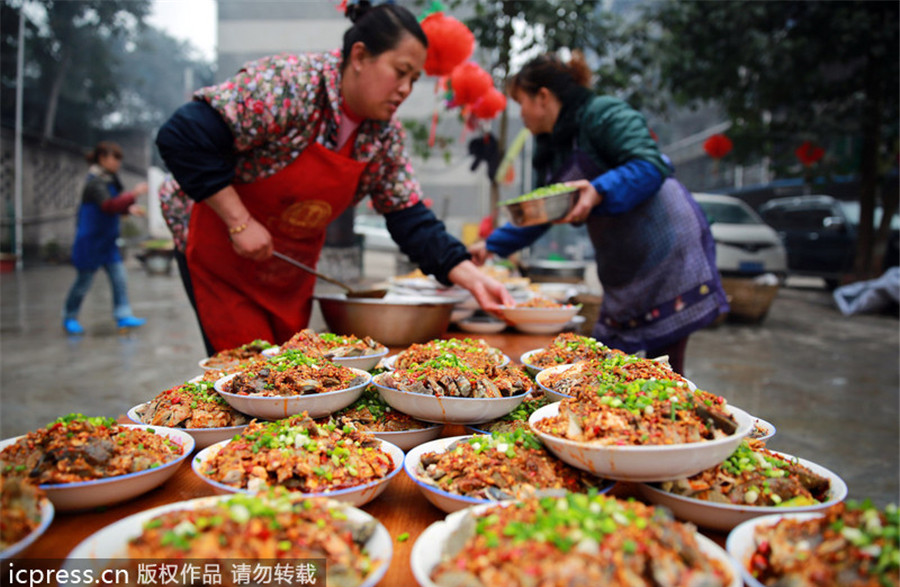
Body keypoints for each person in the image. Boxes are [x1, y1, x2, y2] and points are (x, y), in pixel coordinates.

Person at [155, 1, 514, 356]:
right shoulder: (291, 84)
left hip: (287, 271)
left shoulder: (383, 135)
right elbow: (182, 136)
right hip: (222, 255)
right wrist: (239, 222)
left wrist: (469, 274)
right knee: (246, 379)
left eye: (414, 79)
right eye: (400, 71)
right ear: (359, 57)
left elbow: (408, 215)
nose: (405, 89)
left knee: (292, 374)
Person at [470, 52, 729, 374]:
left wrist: (599, 189)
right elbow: (545, 210)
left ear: (543, 97)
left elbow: (649, 165)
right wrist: (490, 246)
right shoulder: (552, 146)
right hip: (626, 260)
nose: (519, 112)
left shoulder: (603, 113)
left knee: (663, 368)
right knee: (610, 364)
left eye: (520, 101)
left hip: (667, 249)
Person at [63, 141, 148, 335]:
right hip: (90, 242)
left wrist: (129, 208)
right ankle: (70, 316)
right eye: (114, 158)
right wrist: (134, 194)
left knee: (119, 279)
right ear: (102, 158)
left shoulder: (109, 180)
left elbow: (115, 206)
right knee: (83, 283)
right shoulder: (95, 182)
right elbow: (108, 206)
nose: (117, 163)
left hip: (108, 243)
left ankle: (123, 314)